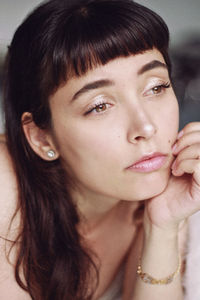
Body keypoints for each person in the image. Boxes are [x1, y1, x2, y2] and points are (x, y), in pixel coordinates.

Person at [1, 0, 200, 299]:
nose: (146, 128)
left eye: (156, 87)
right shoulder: (4, 182)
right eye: (99, 106)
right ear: (42, 139)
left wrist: (163, 227)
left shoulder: (165, 186)